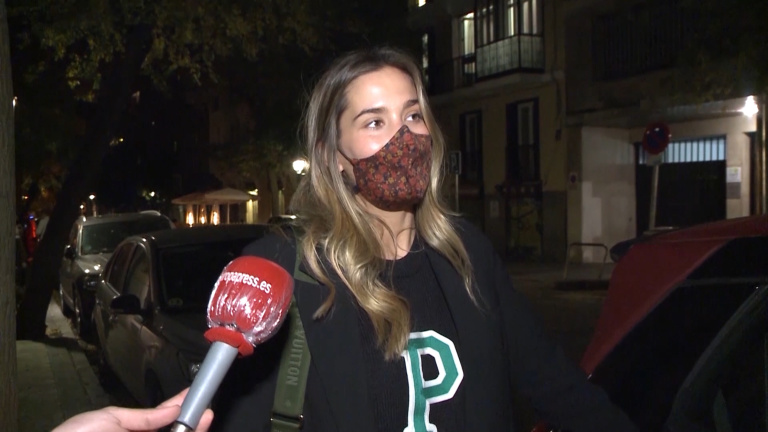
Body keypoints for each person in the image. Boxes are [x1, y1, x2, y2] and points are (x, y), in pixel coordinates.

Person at [54, 46, 637, 432]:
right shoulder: (282, 271)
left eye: (413, 116)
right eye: (374, 122)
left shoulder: (468, 254)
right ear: (334, 157)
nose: (404, 138)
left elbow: (557, 387)